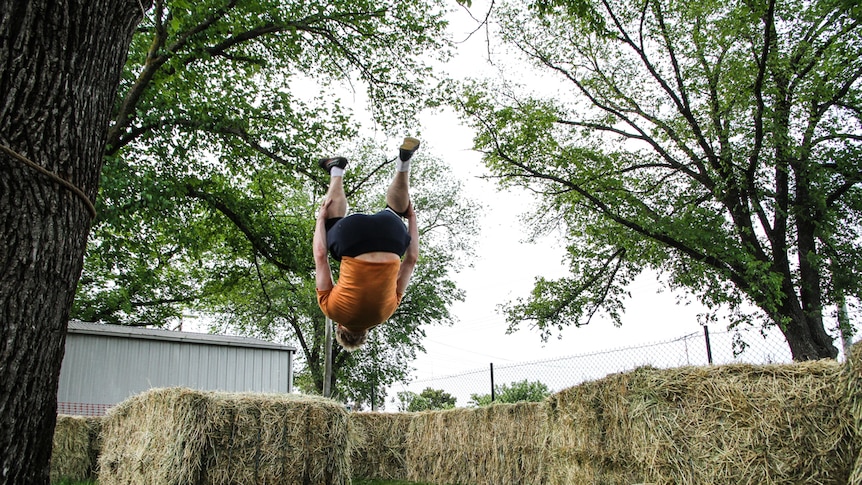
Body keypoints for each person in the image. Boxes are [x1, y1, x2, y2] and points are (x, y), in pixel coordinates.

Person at [313, 137, 421, 351]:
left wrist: (411, 218)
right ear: (340, 327)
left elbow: (411, 260)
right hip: (351, 236)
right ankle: (336, 169)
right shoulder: (331, 310)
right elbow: (320, 254)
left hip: (391, 237)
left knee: (395, 210)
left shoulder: (385, 313)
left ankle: (404, 162)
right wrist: (320, 219)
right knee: (332, 222)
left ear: (366, 331)